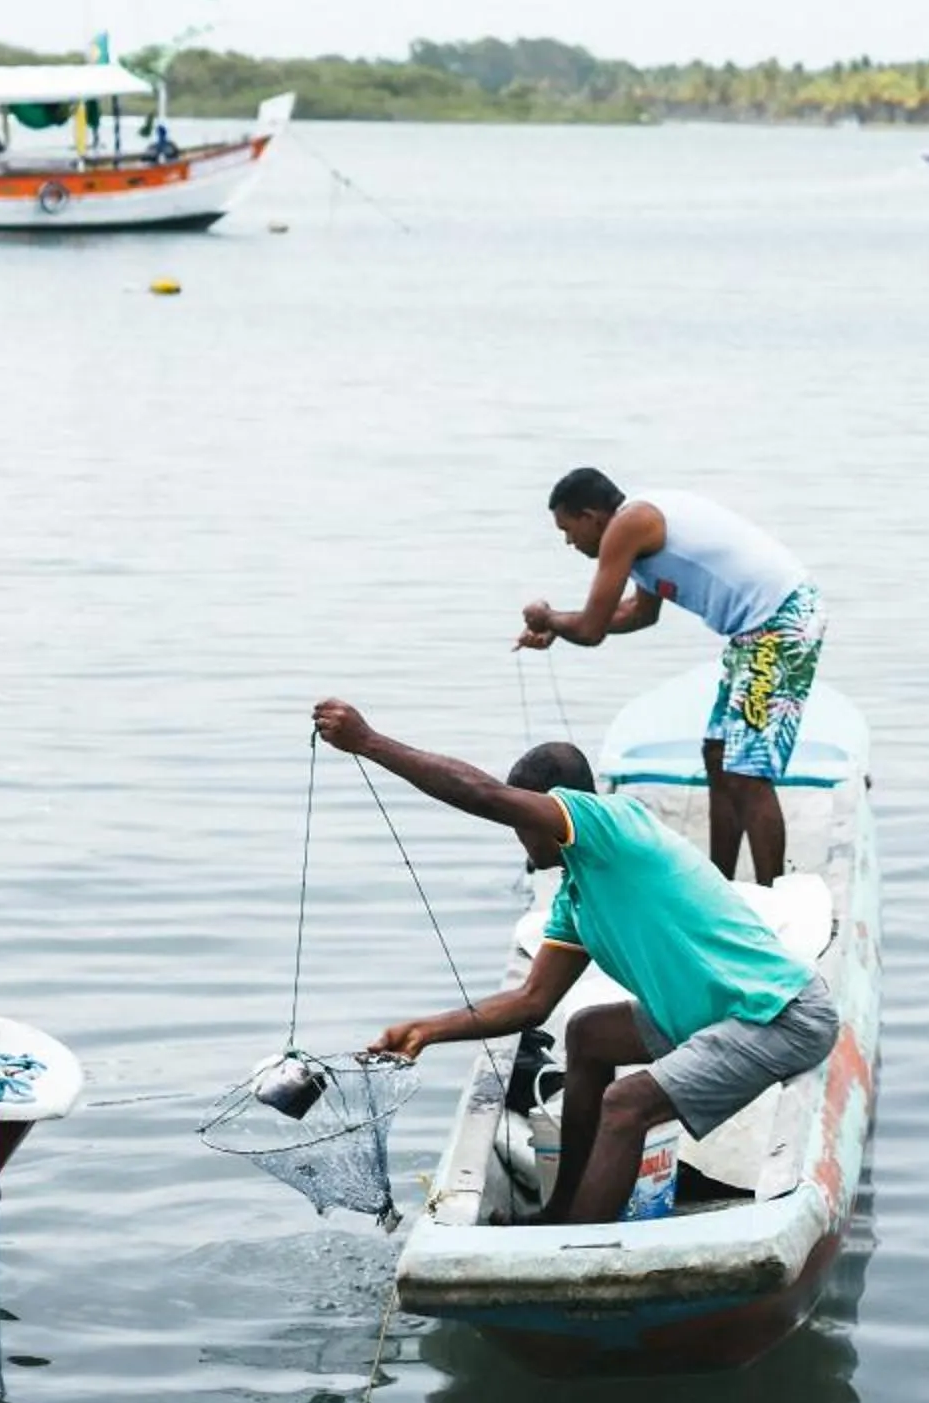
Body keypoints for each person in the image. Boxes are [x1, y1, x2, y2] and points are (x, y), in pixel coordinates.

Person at [310, 697, 837, 1226]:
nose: (518, 834)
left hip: (783, 1015)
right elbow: (529, 1003)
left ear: (550, 808)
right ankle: (563, 1206)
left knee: (626, 1105)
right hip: (721, 1013)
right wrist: (424, 1030)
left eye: (522, 817)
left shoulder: (610, 823)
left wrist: (370, 743)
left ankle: (579, 1241)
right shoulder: (576, 896)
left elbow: (484, 795)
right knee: (588, 1033)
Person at [518, 471, 827, 886]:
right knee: (718, 757)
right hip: (753, 631)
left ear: (591, 516)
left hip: (781, 621)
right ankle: (721, 886)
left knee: (748, 774)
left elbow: (592, 629)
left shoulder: (629, 525)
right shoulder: (639, 531)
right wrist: (561, 625)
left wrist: (549, 616)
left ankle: (772, 896)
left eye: (568, 530)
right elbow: (637, 614)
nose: (570, 543)